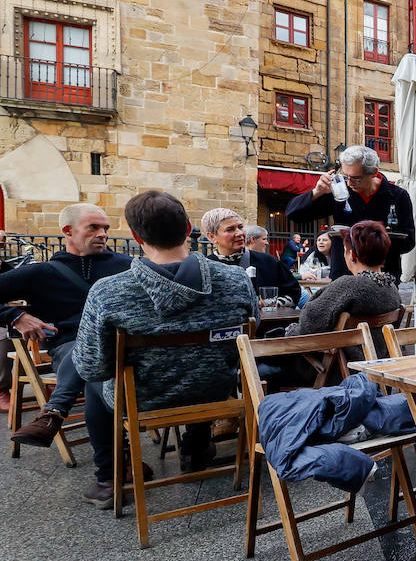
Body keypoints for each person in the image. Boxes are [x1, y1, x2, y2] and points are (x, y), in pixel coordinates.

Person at [72, 191, 258, 506]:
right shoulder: (236, 279)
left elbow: (92, 366)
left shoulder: (108, 292)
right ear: (188, 228)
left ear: (134, 235)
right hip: (216, 392)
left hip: (144, 400)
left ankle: (108, 477)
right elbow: (249, 338)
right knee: (203, 367)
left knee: (94, 382)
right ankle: (196, 447)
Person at [3, 204, 134, 449]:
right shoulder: (40, 273)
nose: (103, 233)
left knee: (98, 362)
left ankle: (54, 411)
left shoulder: (127, 266)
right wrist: (14, 316)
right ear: (68, 231)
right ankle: (119, 459)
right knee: (91, 358)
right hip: (70, 346)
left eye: (105, 228)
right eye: (93, 227)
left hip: (124, 345)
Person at [286, 144, 415, 280]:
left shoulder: (398, 196)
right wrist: (316, 192)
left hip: (384, 275)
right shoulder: (340, 192)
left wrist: (375, 243)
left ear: (374, 173)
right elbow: (294, 214)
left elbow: (409, 241)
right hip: (343, 274)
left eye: (355, 178)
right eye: (346, 177)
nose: (349, 183)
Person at [287, 222, 400, 337]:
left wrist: (289, 331)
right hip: (382, 352)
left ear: (351, 255)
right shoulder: (392, 287)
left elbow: (309, 323)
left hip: (346, 353)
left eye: (344, 250)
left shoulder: (349, 285)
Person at [200, 208, 300, 308]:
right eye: (230, 229)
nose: (239, 233)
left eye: (240, 227)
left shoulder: (269, 262)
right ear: (212, 237)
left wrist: (269, 305)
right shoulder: (203, 268)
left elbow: (294, 293)